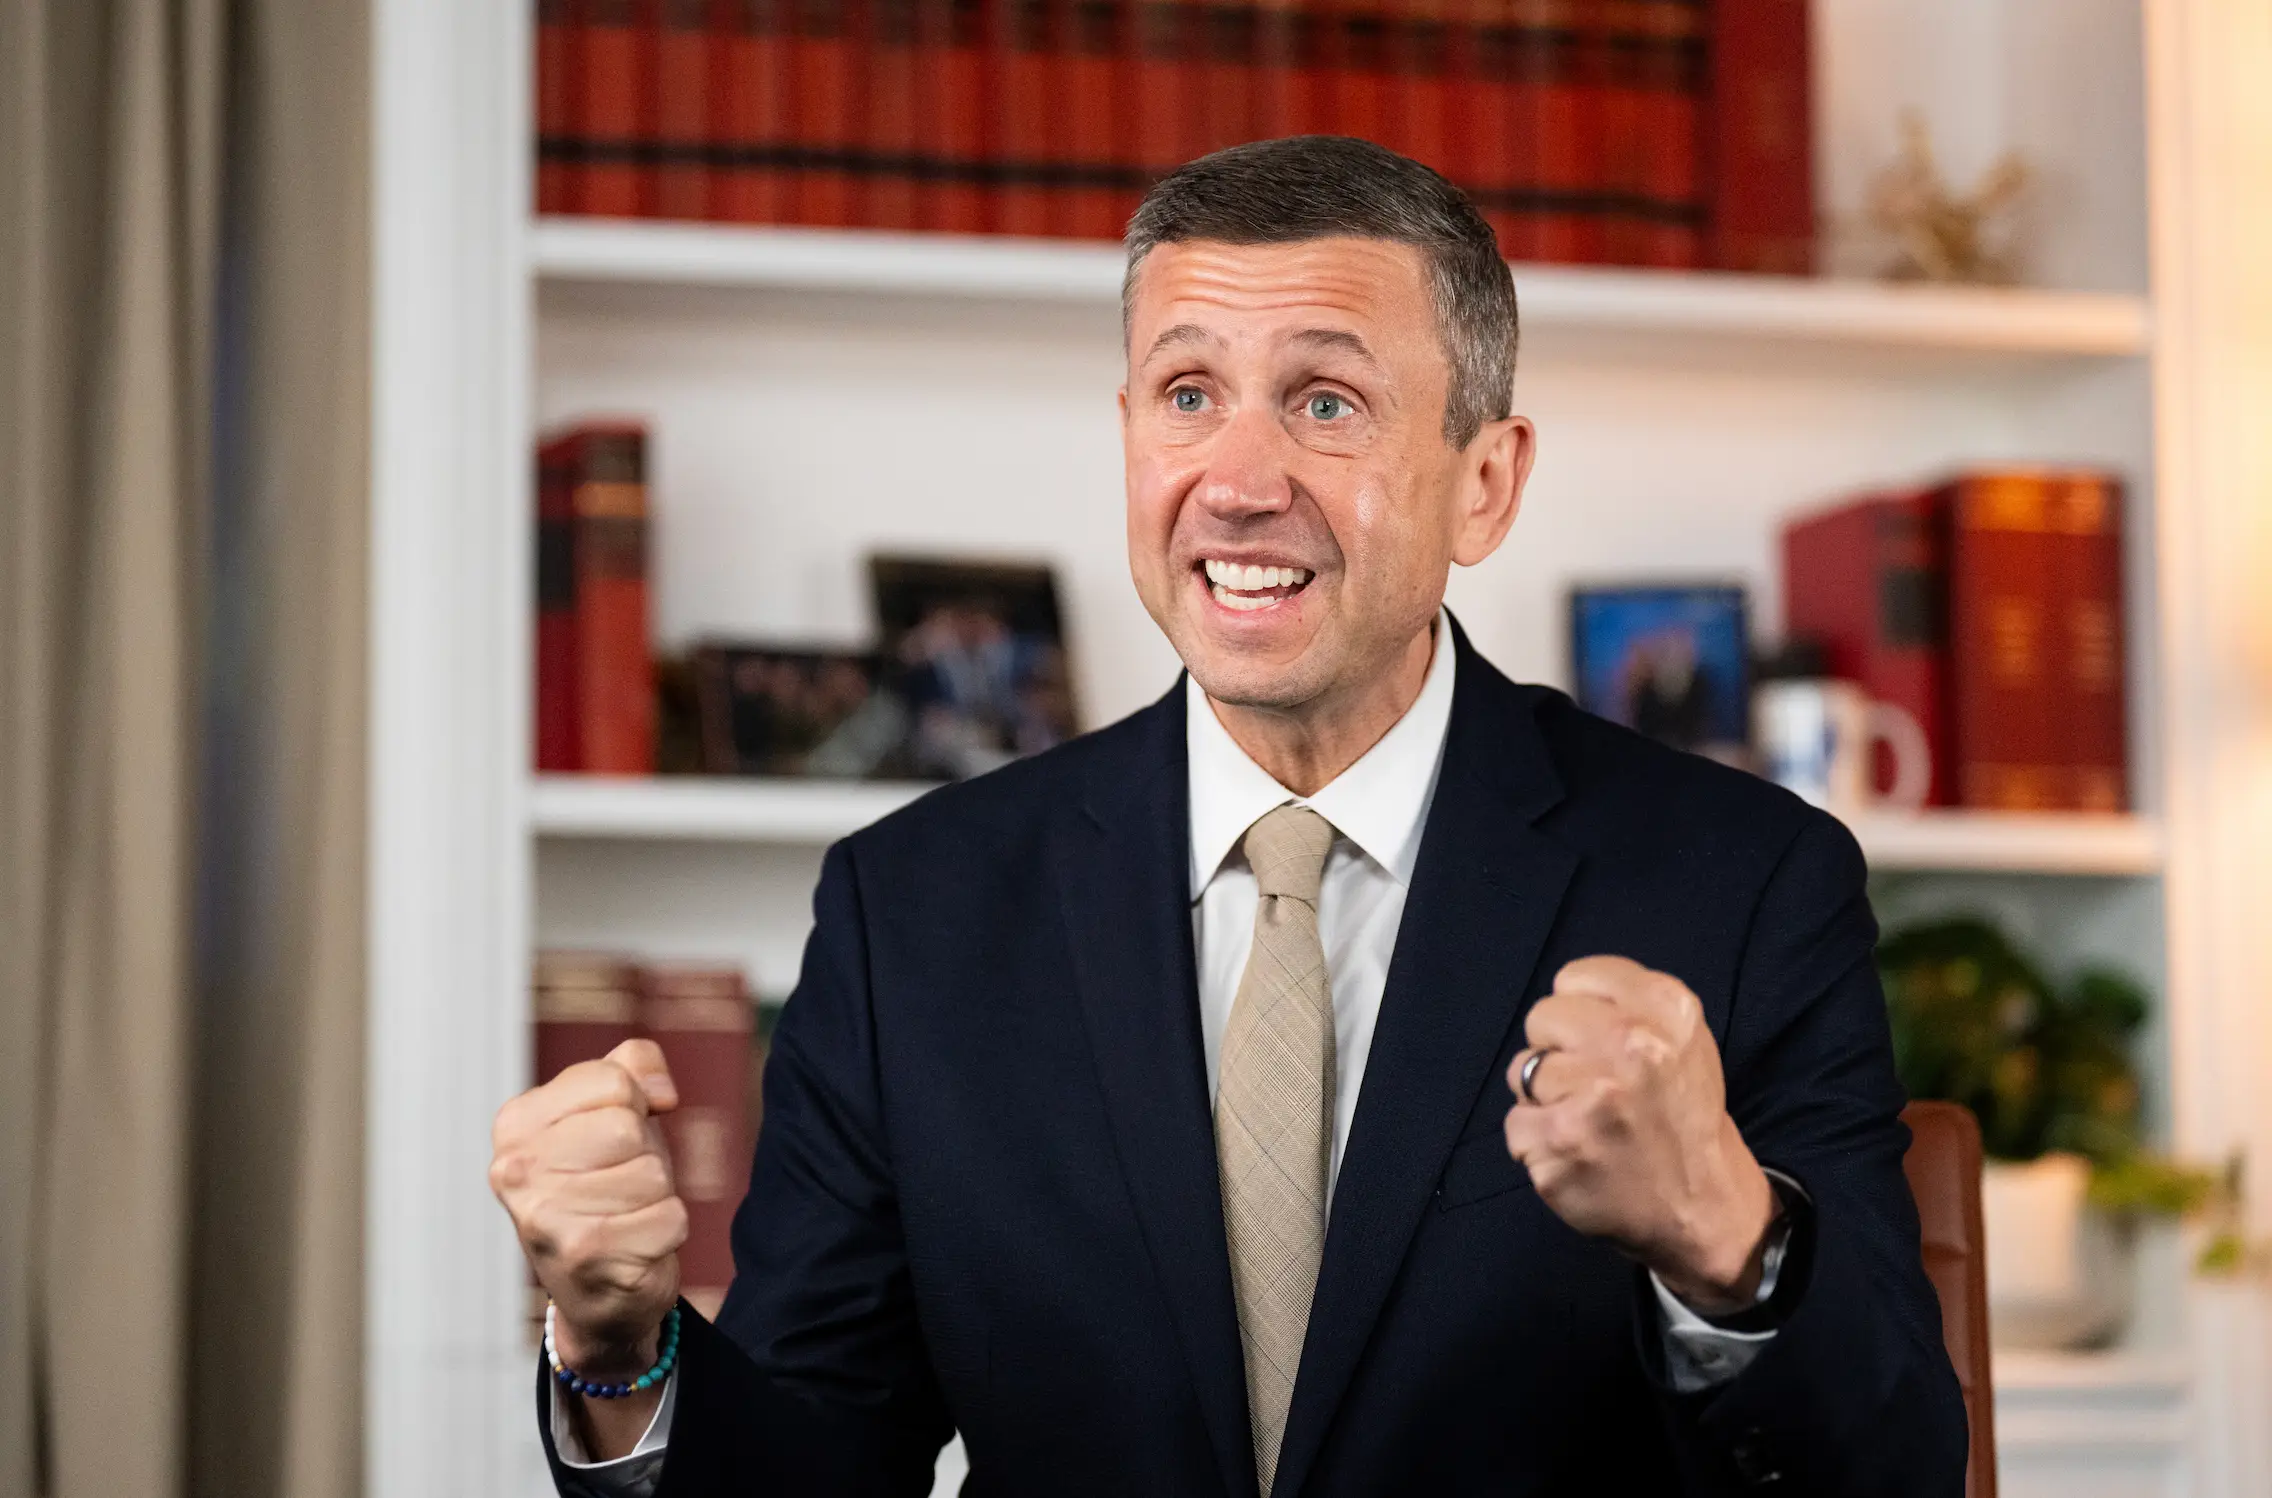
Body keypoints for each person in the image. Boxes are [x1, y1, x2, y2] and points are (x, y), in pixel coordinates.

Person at [490, 136, 1967, 1497]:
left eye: (1326, 403)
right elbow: (810, 1469)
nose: (1240, 485)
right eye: (1189, 395)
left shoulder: (1746, 883)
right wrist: (620, 1350)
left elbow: (1892, 1470)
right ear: (1129, 434)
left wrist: (1724, 1232)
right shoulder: (912, 916)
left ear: (1485, 484)